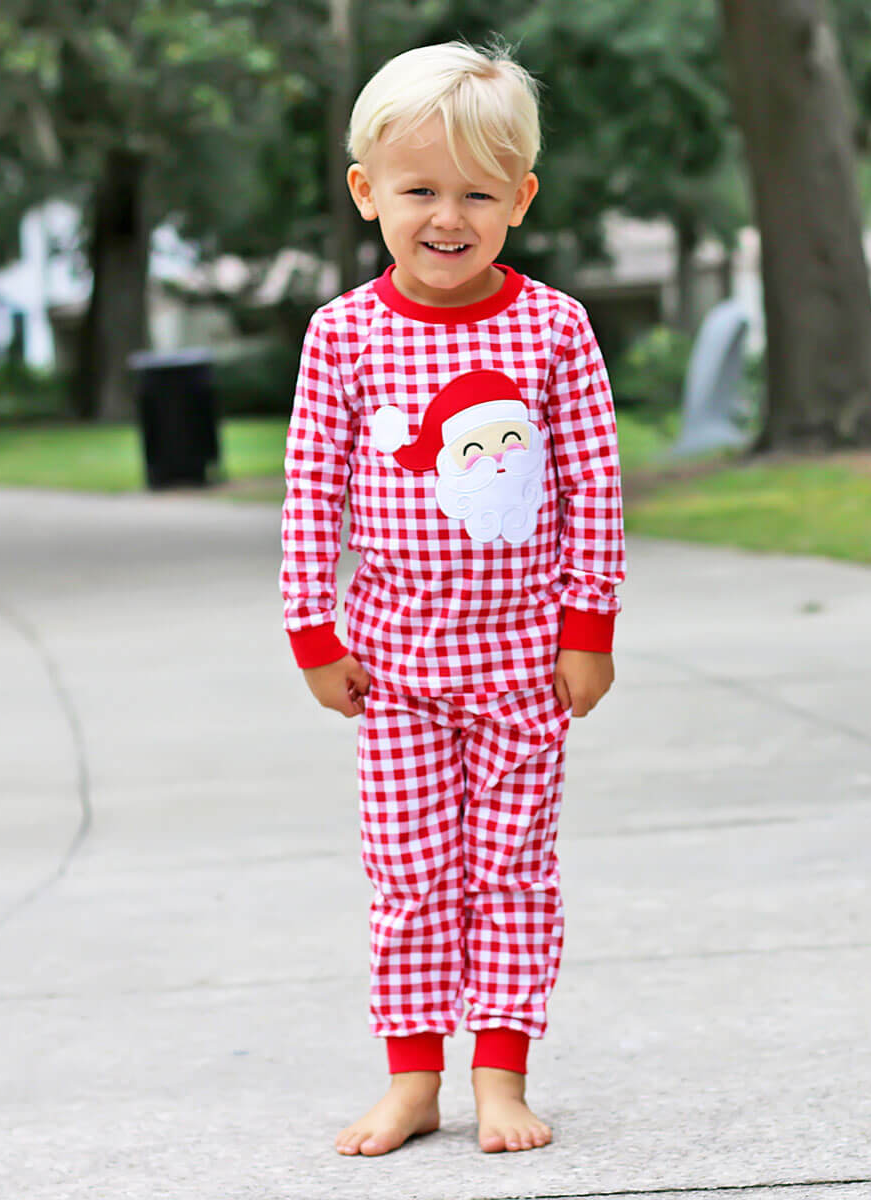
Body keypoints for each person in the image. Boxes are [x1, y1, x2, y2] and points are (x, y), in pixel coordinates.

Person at [279, 39, 626, 1157]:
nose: (447, 215)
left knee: (512, 869)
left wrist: (590, 630)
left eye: (478, 192)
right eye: (420, 188)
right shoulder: (345, 335)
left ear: (520, 199)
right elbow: (309, 495)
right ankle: (413, 1075)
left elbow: (593, 489)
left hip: (525, 660)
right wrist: (312, 630)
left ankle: (502, 1075)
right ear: (367, 192)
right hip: (395, 666)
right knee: (411, 876)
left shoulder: (554, 329)